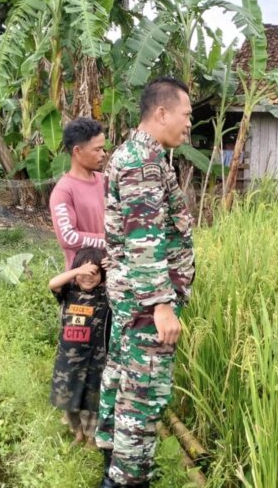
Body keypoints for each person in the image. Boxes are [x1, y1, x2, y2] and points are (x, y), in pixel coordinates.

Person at [95, 77, 195, 488]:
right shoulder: (142, 162)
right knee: (142, 392)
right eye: (186, 116)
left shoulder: (142, 154)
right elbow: (143, 238)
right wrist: (161, 305)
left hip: (130, 297)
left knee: (122, 376)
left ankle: (114, 457)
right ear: (161, 113)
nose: (188, 125)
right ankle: (126, 479)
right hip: (144, 303)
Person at [48, 247, 111, 447]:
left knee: (92, 401)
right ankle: (78, 433)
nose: (88, 278)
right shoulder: (69, 293)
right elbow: (53, 283)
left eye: (94, 274)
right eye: (84, 274)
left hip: (96, 359)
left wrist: (115, 269)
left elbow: (125, 287)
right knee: (68, 397)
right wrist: (78, 271)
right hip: (68, 359)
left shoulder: (105, 295)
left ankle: (92, 438)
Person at [49, 118, 107, 270]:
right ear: (77, 151)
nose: (103, 154)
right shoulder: (63, 191)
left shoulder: (106, 181)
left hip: (111, 274)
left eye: (103, 149)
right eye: (97, 149)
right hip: (84, 279)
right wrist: (108, 240)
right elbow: (68, 238)